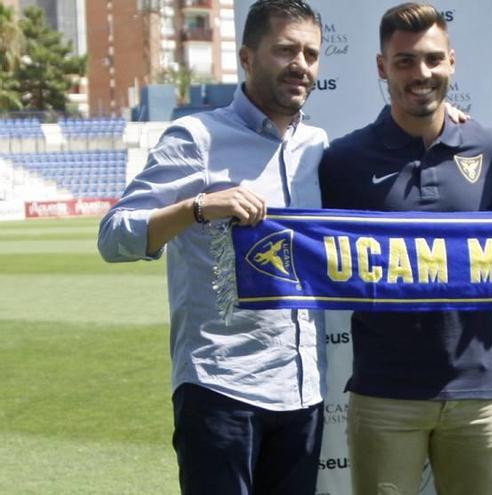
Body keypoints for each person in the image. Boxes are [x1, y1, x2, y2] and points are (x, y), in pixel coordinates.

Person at [97, 1, 327, 493]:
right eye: (285, 50)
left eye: (310, 53)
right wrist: (197, 207)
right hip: (222, 389)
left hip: (303, 391)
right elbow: (114, 235)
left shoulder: (319, 146)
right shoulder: (196, 137)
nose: (300, 65)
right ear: (247, 57)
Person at [319, 3, 492, 495]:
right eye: (404, 61)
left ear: (452, 61)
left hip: (478, 391)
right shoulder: (343, 161)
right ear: (382, 67)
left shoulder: (491, 148)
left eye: (431, 59)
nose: (420, 73)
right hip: (385, 393)